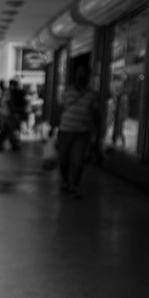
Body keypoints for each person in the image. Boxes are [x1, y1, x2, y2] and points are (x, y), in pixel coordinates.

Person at [56, 65, 101, 199]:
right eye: (79, 73)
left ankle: (74, 185)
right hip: (65, 130)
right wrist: (53, 126)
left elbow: (96, 114)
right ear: (75, 75)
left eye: (84, 74)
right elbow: (60, 109)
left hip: (82, 132)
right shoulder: (67, 91)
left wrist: (98, 133)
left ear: (88, 77)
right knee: (63, 158)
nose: (81, 77)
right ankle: (65, 181)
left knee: (78, 159)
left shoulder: (92, 95)